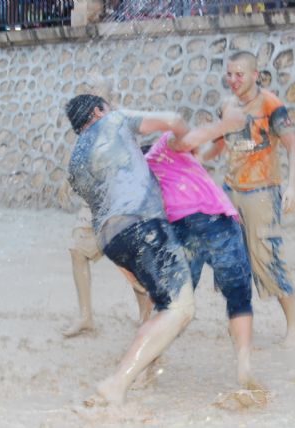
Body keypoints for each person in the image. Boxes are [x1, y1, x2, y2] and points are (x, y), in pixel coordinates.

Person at [65, 94, 246, 405]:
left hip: (111, 238)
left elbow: (99, 208)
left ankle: (132, 377)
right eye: (107, 105)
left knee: (165, 305)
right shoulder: (114, 120)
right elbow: (173, 119)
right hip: (142, 225)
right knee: (179, 308)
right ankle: (117, 383)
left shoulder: (76, 159)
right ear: (99, 110)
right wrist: (186, 137)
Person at [198, 50, 295, 348]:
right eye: (229, 74)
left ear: (255, 75)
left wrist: (293, 186)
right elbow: (219, 146)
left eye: (239, 74)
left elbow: (293, 146)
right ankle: (241, 324)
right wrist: (195, 162)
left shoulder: (271, 105)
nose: (233, 80)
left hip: (262, 191)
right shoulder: (227, 106)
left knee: (267, 259)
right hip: (231, 191)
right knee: (231, 260)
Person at [147, 130, 257, 388]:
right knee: (239, 295)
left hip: (181, 229)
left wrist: (220, 142)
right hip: (215, 223)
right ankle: (244, 365)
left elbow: (203, 153)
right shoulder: (164, 145)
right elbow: (187, 140)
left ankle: (147, 366)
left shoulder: (159, 172)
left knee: (173, 302)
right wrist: (226, 122)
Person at [63, 201, 152, 338]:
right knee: (78, 249)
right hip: (95, 197)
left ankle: (146, 321)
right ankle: (86, 318)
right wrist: (70, 180)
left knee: (132, 257)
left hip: (125, 197)